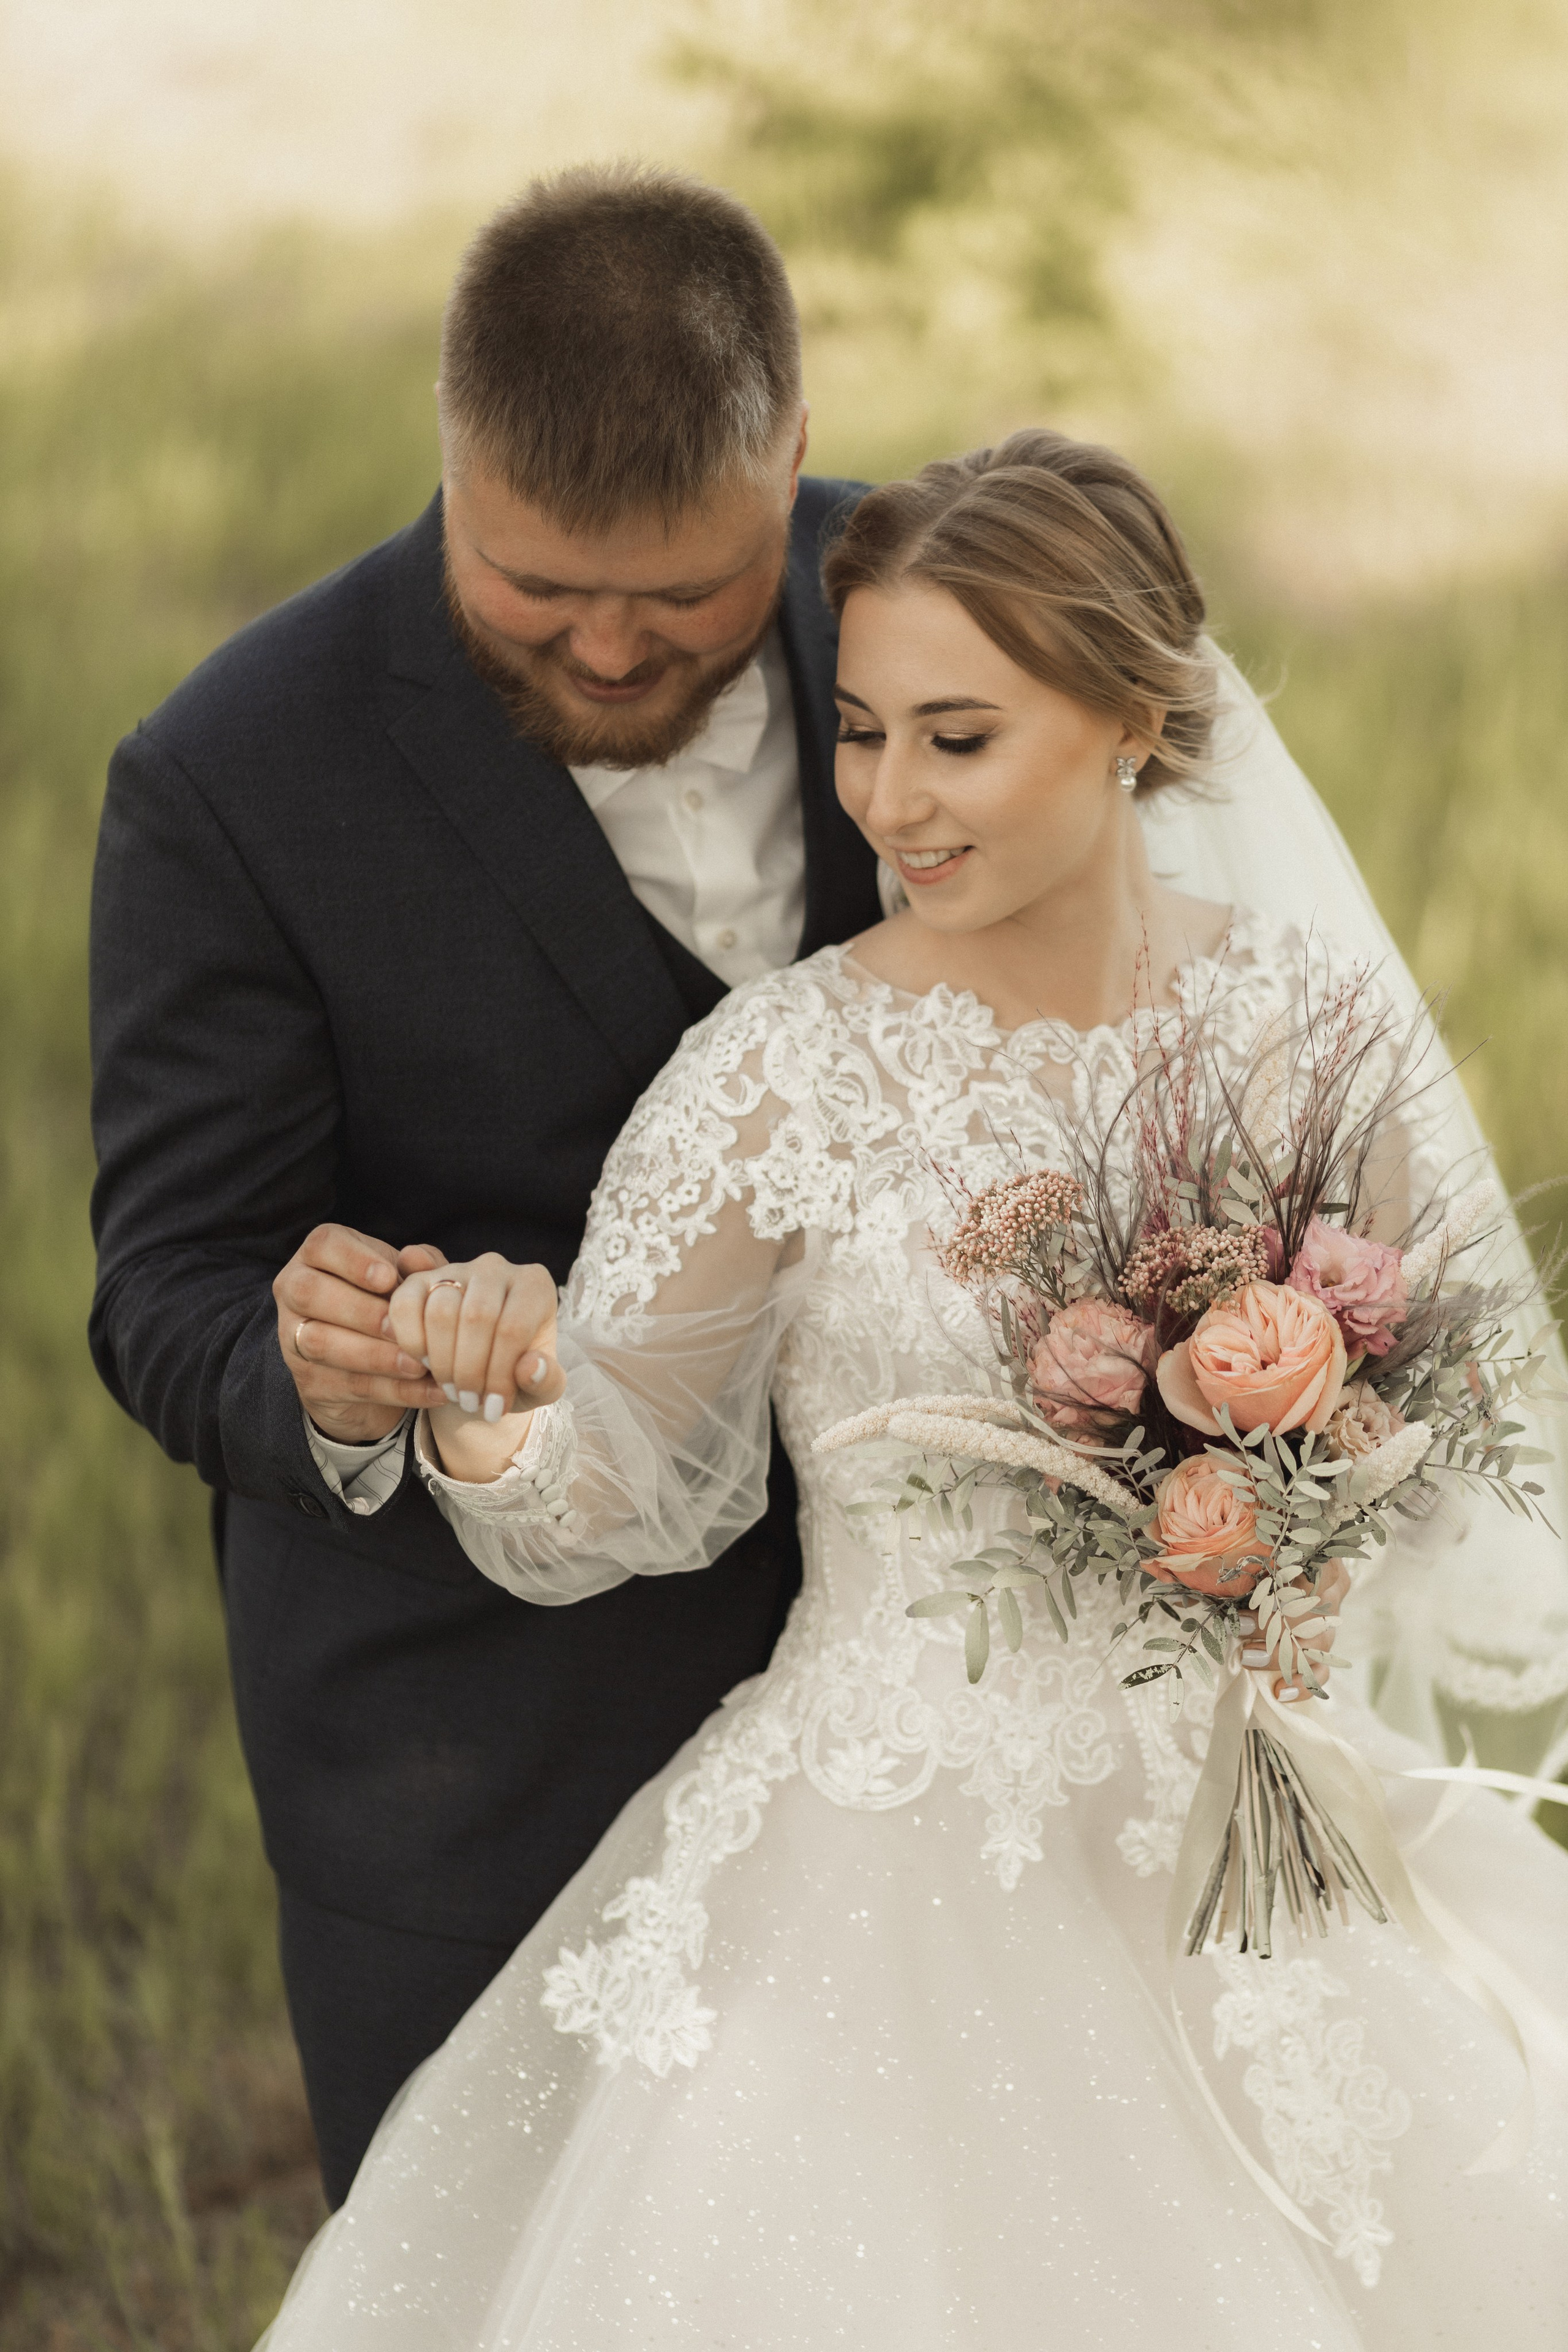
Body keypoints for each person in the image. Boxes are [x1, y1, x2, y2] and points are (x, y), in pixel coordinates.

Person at [257, 432, 1568, 2346]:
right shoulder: (785, 1070)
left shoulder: (1306, 1021)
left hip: (1241, 1824)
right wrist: (497, 1403)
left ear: (1131, 714)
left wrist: (1305, 1522)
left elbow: (1459, 1421)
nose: (891, 800)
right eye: (862, 731)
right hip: (888, 1863)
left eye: (959, 738)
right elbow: (610, 1490)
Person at [86, 163, 883, 2209]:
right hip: (476, 1769)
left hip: (928, 1716)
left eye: (686, 598)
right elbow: (167, 1282)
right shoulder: (235, 775)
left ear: (790, 458)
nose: (614, 654)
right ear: (448, 459)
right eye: (537, 592)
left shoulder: (934, 604)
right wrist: (329, 1376)